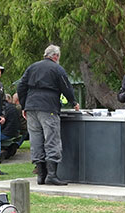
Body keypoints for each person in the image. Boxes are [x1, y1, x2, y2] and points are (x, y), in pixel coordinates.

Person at [17, 45, 79, 185]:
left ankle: (40, 175)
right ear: (56, 56)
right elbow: (66, 87)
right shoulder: (57, 69)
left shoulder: (32, 67)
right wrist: (73, 102)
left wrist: (24, 105)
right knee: (52, 140)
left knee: (36, 140)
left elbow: (21, 86)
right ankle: (51, 175)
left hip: (31, 107)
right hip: (48, 107)